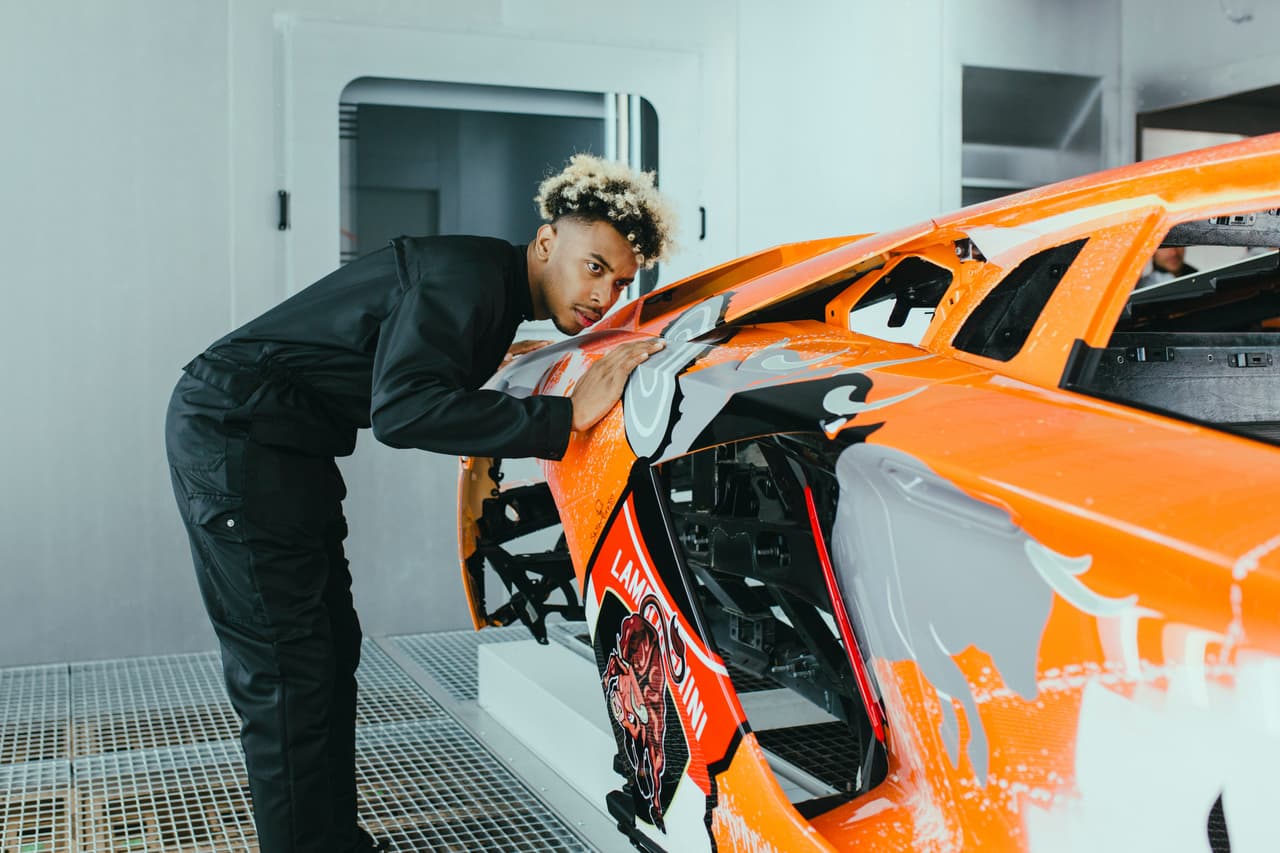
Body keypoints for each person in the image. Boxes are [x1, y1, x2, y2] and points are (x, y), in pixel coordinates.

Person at [164, 154, 674, 853]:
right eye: (594, 267)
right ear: (548, 242)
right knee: (288, 669)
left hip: (283, 447)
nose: (604, 295)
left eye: (619, 282)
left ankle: (330, 838)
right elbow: (402, 410)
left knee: (327, 649)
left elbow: (411, 374)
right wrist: (562, 418)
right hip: (236, 435)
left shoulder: (488, 291)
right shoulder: (465, 280)